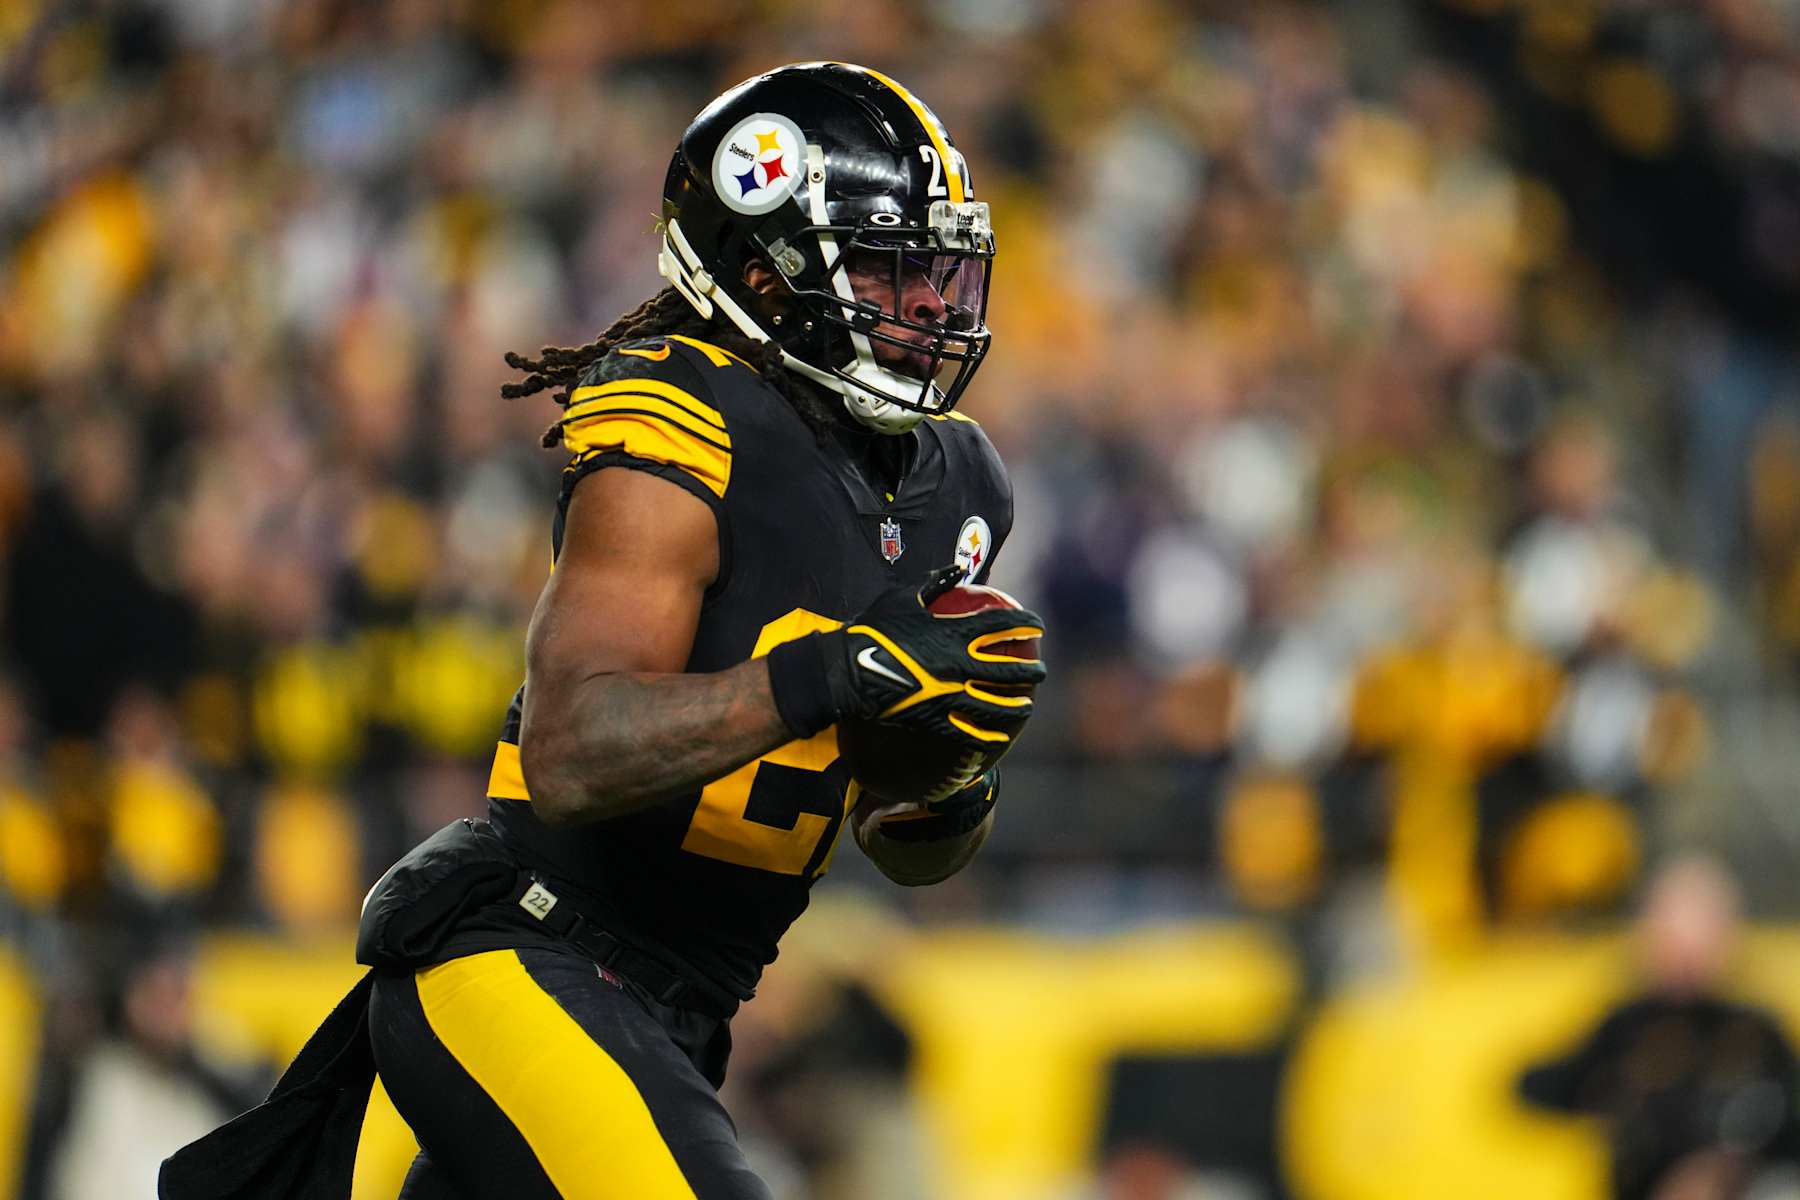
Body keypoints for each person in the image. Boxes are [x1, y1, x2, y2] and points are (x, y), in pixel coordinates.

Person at [161, 61, 1045, 1199]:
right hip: (524, 953)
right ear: (765, 279)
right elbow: (571, 750)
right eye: (885, 263)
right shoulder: (684, 411)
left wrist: (947, 776)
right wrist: (838, 671)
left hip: (677, 1014)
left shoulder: (959, 484)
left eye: (937, 266)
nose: (928, 301)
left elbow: (901, 839)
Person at [1519, 856, 1800, 1200]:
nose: (1686, 953)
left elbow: (1786, 1119)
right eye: (1673, 934)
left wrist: (1725, 1168)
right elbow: (1542, 1086)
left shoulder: (1753, 1029)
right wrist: (1603, 1088)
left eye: (1700, 934)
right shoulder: (1629, 1027)